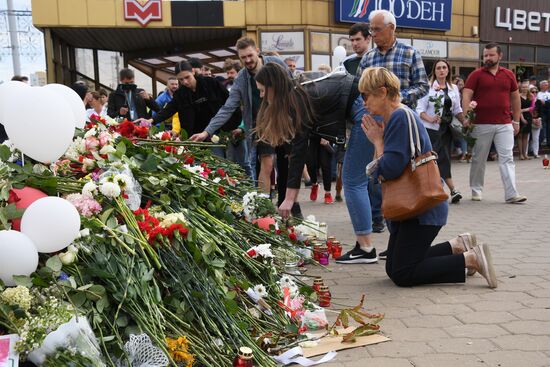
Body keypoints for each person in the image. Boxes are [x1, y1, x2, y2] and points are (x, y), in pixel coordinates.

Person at [360, 66, 497, 288]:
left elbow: (390, 168)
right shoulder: (399, 115)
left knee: (403, 273)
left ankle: (470, 258)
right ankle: (458, 246)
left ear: (382, 92)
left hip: (421, 207)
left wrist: (377, 141)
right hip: (414, 207)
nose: (363, 102)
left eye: (365, 95)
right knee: (394, 268)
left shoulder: (398, 117)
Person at [338, 9, 430, 263]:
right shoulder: (368, 58)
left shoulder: (410, 53)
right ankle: (380, 243)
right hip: (371, 121)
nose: (372, 34)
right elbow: (359, 92)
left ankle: (375, 246)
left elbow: (423, 86)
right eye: (370, 30)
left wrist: (394, 102)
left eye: (376, 30)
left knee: (392, 178)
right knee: (374, 177)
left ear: (392, 28)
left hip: (399, 122)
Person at [189, 38, 290, 199]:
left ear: (257, 51)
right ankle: (264, 207)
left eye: (250, 55)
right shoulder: (242, 78)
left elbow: (292, 86)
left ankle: (290, 204)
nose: (248, 60)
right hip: (261, 124)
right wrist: (206, 132)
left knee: (287, 165)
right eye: (243, 58)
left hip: (283, 119)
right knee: (267, 162)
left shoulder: (276, 63)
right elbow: (228, 107)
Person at [462, 43, 526, 204]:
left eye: (491, 55)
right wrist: (466, 116)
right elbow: (466, 95)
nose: (487, 58)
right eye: (485, 55)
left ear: (500, 56)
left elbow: (515, 98)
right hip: (481, 124)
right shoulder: (476, 75)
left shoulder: (509, 74)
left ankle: (511, 194)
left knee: (507, 158)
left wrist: (516, 121)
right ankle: (476, 189)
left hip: (505, 123)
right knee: (479, 158)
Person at [252, 63, 316, 219]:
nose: (261, 96)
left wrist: (289, 198)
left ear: (272, 86)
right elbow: (293, 153)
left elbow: (299, 153)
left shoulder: (296, 99)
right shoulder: (290, 98)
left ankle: (366, 243)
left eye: (262, 90)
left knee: (351, 181)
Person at [138, 61, 241, 141]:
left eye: (187, 77)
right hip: (194, 136)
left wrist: (236, 125)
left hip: (218, 132)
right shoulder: (180, 94)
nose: (185, 82)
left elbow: (230, 103)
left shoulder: (212, 83)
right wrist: (151, 120)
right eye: (181, 80)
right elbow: (168, 110)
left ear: (193, 71)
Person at [416, 59, 464, 204]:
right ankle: (448, 189)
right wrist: (430, 118)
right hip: (430, 130)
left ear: (448, 70)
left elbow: (457, 110)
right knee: (433, 159)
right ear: (434, 71)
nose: (442, 70)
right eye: (438, 68)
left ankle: (445, 189)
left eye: (444, 67)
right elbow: (420, 109)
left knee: (444, 158)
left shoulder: (453, 88)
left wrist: (466, 122)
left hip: (446, 129)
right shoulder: (428, 88)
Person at [518, 81, 533, 160]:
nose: (524, 88)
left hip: (528, 116)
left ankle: (525, 154)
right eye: (523, 87)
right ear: (520, 88)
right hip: (520, 117)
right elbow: (518, 108)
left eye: (526, 87)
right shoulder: (518, 96)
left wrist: (523, 110)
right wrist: (522, 118)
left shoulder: (531, 96)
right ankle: (520, 154)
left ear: (528, 88)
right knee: (520, 136)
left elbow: (532, 107)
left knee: (526, 136)